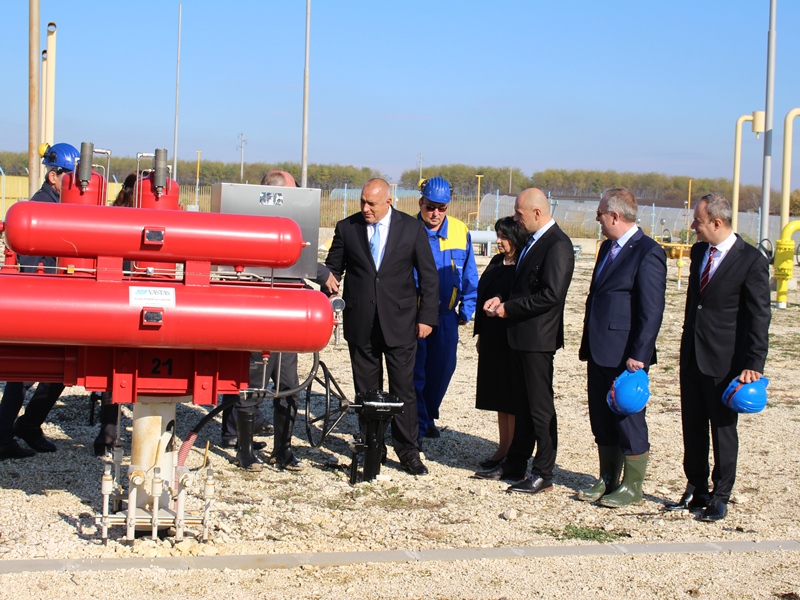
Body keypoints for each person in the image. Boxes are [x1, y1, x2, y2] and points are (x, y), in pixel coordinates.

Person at [220, 168, 337, 471]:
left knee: (288, 385)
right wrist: (320, 272)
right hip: (259, 315)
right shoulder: (254, 224)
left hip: (288, 316)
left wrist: (318, 275)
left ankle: (282, 449)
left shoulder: (291, 225)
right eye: (292, 192)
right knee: (253, 383)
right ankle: (244, 449)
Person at [665, 193, 770, 522]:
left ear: (717, 222)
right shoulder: (699, 252)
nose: (692, 227)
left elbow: (759, 315)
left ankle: (721, 494)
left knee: (722, 429)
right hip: (692, 355)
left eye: (697, 221)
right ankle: (696, 488)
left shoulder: (750, 260)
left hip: (725, 361)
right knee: (692, 426)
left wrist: (753, 363)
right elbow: (695, 303)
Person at [325, 178, 439, 476]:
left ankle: (408, 450)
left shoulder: (411, 228)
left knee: (403, 389)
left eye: (372, 204)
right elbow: (333, 269)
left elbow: (429, 276)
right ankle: (371, 445)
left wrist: (427, 317)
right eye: (362, 202)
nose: (365, 208)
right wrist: (329, 288)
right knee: (366, 390)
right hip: (361, 322)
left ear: (389, 201)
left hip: (401, 323)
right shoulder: (347, 228)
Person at [475, 188, 574, 494]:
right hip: (518, 337)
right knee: (521, 404)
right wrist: (500, 299)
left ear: (537, 213)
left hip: (537, 340)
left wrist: (509, 309)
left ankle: (543, 471)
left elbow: (551, 295)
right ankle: (515, 463)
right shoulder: (532, 242)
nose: (515, 219)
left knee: (540, 409)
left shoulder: (557, 244)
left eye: (519, 214)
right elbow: (522, 287)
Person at [577, 188, 667, 507]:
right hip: (599, 349)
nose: (597, 219)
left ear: (615, 216)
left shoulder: (648, 252)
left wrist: (639, 355)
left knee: (628, 418)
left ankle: (633, 486)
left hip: (626, 356)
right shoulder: (606, 248)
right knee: (601, 418)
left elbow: (651, 311)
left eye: (600, 214)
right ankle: (608, 478)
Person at [0, 143, 80, 460]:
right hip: (40, 302)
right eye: (70, 177)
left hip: (54, 299)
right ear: (53, 176)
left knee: (59, 371)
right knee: (24, 373)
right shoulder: (40, 210)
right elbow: (33, 267)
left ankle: (29, 425)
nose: (75, 184)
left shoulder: (60, 206)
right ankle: (4, 436)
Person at [413, 176, 478, 438]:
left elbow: (469, 273)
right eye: (430, 207)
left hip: (446, 317)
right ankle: (417, 426)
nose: (435, 213)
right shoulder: (408, 230)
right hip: (415, 318)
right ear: (420, 203)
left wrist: (467, 309)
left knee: (443, 370)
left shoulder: (460, 231)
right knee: (415, 372)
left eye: (442, 208)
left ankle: (427, 415)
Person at [473, 217, 528, 468]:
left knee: (511, 398)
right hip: (492, 336)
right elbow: (484, 292)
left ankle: (512, 451)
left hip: (511, 337)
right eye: (498, 236)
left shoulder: (522, 264)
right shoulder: (496, 261)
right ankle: (502, 447)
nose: (498, 241)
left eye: (504, 237)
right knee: (498, 397)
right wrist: (481, 334)